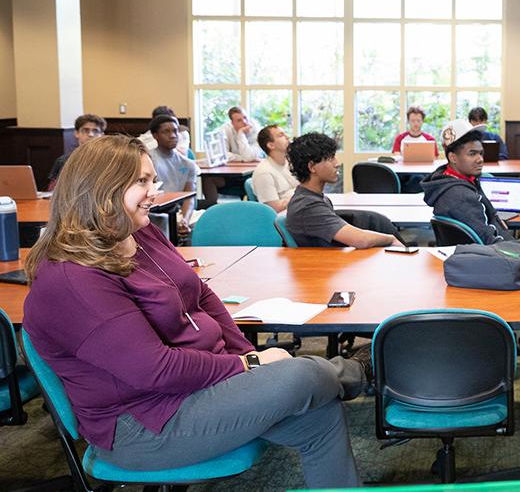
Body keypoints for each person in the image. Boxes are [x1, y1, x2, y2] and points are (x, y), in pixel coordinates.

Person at [21, 136, 368, 489]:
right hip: (144, 424)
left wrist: (246, 354)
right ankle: (360, 371)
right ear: (101, 188)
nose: (154, 191)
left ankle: (354, 373)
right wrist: (250, 366)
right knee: (301, 378)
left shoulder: (137, 232)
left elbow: (199, 293)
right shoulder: (71, 278)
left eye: (152, 179)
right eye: (142, 181)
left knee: (320, 412)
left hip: (200, 386)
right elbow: (155, 371)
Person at [286, 132, 404, 249]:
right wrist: (391, 239)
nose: (337, 163)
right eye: (330, 158)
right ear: (312, 167)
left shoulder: (315, 198)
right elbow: (361, 240)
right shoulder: (307, 206)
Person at [421, 120, 514, 244]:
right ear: (453, 157)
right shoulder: (461, 197)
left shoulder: (449, 179)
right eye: (472, 154)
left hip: (467, 255)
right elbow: (491, 241)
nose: (480, 159)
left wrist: (495, 217)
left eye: (481, 153)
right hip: (486, 256)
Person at [147, 114, 199, 236]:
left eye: (175, 131)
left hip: (178, 211)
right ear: (155, 136)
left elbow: (189, 196)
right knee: (162, 221)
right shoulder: (148, 160)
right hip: (153, 212)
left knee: (204, 222)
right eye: (166, 132)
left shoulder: (188, 164)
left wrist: (185, 219)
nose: (173, 135)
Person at [47, 113, 106, 189]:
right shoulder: (63, 161)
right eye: (85, 130)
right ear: (77, 133)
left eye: (95, 131)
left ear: (102, 135)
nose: (91, 135)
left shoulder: (108, 160)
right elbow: (53, 190)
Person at [252, 124, 299, 212]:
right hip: (283, 220)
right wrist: (303, 193)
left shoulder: (290, 163)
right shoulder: (264, 173)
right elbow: (273, 209)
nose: (287, 137)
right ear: (271, 145)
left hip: (299, 209)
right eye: (281, 135)